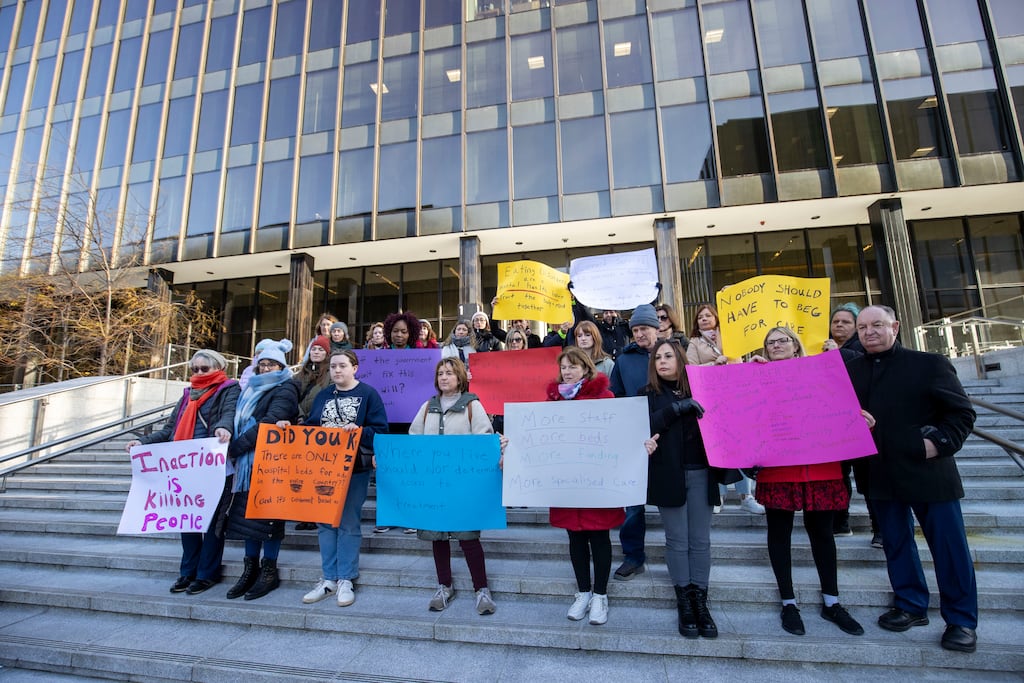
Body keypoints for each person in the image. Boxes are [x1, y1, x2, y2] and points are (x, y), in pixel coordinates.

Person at [847, 305, 978, 653]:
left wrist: (935, 445)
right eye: (862, 328)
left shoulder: (929, 363)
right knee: (896, 543)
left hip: (929, 472)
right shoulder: (850, 370)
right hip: (879, 472)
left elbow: (962, 413)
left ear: (896, 326)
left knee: (949, 548)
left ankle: (962, 619)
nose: (869, 332)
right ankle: (910, 604)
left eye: (876, 325)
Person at [750, 327, 865, 637]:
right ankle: (788, 602)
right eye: (770, 342)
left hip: (819, 466)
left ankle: (832, 601)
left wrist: (857, 418)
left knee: (823, 535)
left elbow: (840, 402)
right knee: (779, 534)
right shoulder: (758, 377)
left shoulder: (822, 370)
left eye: (782, 340)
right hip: (779, 468)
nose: (776, 345)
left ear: (796, 345)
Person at [125, 350, 239, 595]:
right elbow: (169, 429)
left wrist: (223, 428)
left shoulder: (229, 388)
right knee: (187, 520)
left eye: (204, 369)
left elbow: (228, 414)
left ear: (218, 368)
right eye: (194, 369)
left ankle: (207, 573)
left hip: (214, 465)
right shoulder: (187, 394)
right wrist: (143, 443)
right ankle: (187, 571)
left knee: (211, 524)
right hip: (186, 467)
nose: (198, 373)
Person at [285, 349, 389, 607]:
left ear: (355, 368)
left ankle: (346, 578)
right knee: (324, 523)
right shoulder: (323, 395)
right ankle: (328, 578)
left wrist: (361, 431)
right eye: (333, 367)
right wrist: (290, 430)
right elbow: (310, 427)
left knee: (348, 522)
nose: (337, 370)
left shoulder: (368, 394)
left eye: (343, 365)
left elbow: (381, 431)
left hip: (354, 469)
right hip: (322, 469)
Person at [644, 338, 731, 639]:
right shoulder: (650, 395)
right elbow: (645, 424)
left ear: (681, 359)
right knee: (677, 540)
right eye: (658, 358)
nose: (663, 361)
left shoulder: (703, 387)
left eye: (669, 356)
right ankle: (684, 599)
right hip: (669, 475)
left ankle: (700, 599)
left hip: (702, 473)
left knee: (700, 541)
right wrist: (677, 409)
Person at [408, 357, 498, 615]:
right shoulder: (428, 407)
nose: (444, 377)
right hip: (434, 484)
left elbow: (484, 440)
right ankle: (444, 586)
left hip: (463, 485)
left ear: (460, 377)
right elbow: (414, 438)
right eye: (440, 374)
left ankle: (481, 589)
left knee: (469, 537)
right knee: (438, 537)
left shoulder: (472, 406)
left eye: (449, 373)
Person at [546, 347, 625, 625]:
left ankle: (600, 595)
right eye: (564, 367)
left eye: (573, 366)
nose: (567, 372)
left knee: (600, 538)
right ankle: (582, 592)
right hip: (567, 483)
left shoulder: (605, 397)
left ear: (586, 368)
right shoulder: (553, 401)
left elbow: (619, 435)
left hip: (596, 482)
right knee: (575, 539)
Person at [221, 339, 300, 601]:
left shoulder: (286, 388)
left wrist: (236, 447)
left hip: (268, 463)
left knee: (268, 517)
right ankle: (250, 568)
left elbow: (267, 423)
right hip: (246, 466)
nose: (266, 368)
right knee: (246, 517)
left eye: (271, 364)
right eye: (262, 364)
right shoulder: (248, 389)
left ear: (281, 366)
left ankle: (269, 569)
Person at [685, 304, 763, 515]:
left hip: (737, 399)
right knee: (719, 448)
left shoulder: (731, 337)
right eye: (700, 316)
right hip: (712, 402)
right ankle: (719, 495)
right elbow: (690, 370)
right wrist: (714, 366)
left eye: (708, 315)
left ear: (717, 318)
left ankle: (746, 496)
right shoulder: (694, 342)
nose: (704, 319)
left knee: (743, 448)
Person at [608, 303, 660, 580]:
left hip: (669, 434)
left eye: (645, 328)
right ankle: (633, 555)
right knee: (633, 502)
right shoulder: (624, 359)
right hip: (634, 437)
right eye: (636, 329)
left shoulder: (672, 353)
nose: (640, 334)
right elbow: (613, 395)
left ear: (657, 328)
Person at [821, 303, 872, 540]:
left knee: (867, 477)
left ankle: (879, 528)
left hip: (862, 421)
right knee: (838, 476)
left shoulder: (863, 347)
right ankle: (840, 521)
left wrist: (836, 354)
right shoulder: (820, 348)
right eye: (835, 322)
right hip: (831, 422)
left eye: (845, 322)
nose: (839, 325)